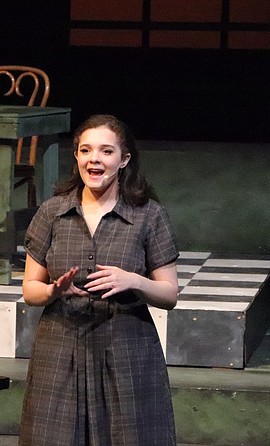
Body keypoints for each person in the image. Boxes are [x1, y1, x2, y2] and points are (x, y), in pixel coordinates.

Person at [19, 115, 179, 446]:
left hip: (126, 347)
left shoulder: (147, 215)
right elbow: (30, 291)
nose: (95, 159)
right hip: (61, 346)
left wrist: (133, 280)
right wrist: (52, 289)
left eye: (107, 151)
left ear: (124, 160)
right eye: (86, 150)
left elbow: (169, 294)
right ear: (76, 156)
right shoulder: (52, 213)